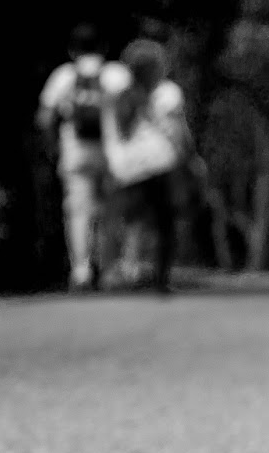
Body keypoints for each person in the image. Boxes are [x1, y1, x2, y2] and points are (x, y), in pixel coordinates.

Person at [102, 39, 191, 294]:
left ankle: (123, 271)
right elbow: (179, 132)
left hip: (128, 168)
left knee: (130, 221)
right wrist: (189, 157)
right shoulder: (168, 93)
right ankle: (160, 278)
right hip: (160, 163)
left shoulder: (118, 97)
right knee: (164, 222)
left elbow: (114, 135)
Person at [36, 24, 113, 289]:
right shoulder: (115, 74)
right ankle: (106, 267)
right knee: (107, 210)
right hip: (110, 153)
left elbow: (45, 117)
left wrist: (52, 148)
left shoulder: (64, 75)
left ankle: (81, 271)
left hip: (75, 151)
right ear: (103, 47)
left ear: (72, 50)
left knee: (78, 211)